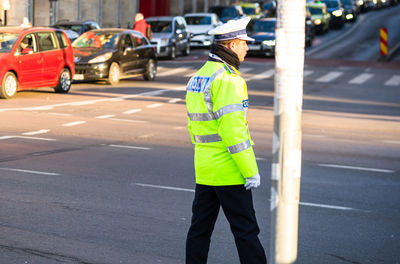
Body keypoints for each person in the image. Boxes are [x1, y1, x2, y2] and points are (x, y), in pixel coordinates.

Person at [185, 16, 267, 264]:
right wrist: (250, 171)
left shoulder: (198, 77)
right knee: (246, 232)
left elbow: (193, 126)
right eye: (244, 43)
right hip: (229, 171)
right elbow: (234, 133)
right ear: (231, 45)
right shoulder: (230, 81)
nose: (247, 48)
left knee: (199, 230)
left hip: (205, 169)